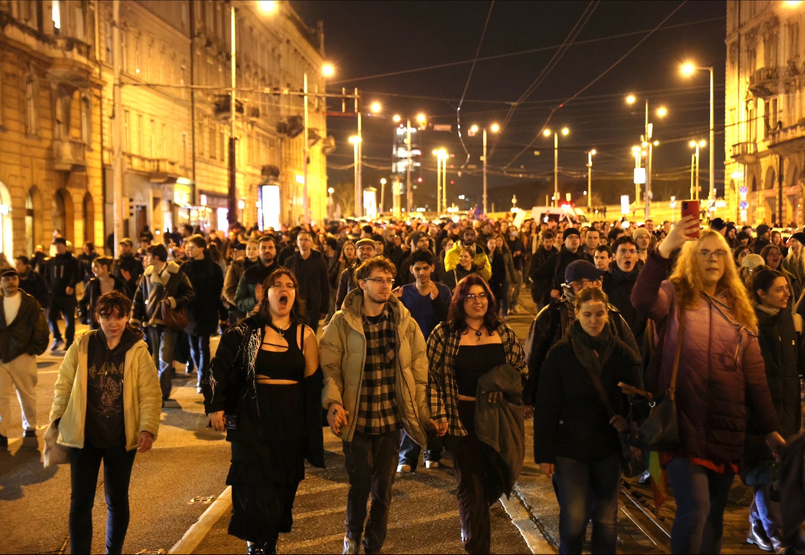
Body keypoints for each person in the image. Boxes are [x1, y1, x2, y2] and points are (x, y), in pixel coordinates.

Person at [631, 217, 785, 554]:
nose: (712, 259)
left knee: (713, 515)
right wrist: (661, 251)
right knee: (695, 509)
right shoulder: (673, 295)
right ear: (689, 257)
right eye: (703, 253)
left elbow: (755, 375)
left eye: (718, 253)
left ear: (728, 260)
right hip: (683, 422)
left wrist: (771, 429)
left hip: (726, 426)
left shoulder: (739, 307)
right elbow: (642, 300)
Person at [320, 257, 435, 555]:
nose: (385, 286)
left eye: (389, 280)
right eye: (378, 280)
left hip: (389, 420)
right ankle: (352, 537)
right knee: (359, 488)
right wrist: (333, 402)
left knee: (383, 491)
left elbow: (419, 367)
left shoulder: (402, 321)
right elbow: (330, 367)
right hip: (356, 420)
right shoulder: (342, 322)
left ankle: (373, 546)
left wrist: (426, 414)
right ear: (362, 284)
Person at [206, 269, 324, 555]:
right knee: (254, 487)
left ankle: (266, 543)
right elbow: (219, 367)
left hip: (290, 422)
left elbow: (312, 386)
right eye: (277, 285)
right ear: (265, 293)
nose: (283, 290)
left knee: (284, 487)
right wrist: (216, 406)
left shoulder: (305, 334)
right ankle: (258, 546)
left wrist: (318, 427)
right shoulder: (245, 331)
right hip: (252, 420)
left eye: (289, 286)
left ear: (295, 295)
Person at [49, 291, 161, 555]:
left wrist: (147, 428)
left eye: (120, 316)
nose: (114, 322)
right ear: (97, 316)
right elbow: (64, 383)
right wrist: (57, 417)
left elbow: (150, 393)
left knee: (117, 501)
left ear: (127, 317)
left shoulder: (137, 349)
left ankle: (114, 551)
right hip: (84, 435)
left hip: (121, 438)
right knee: (80, 503)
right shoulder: (83, 344)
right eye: (107, 316)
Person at [535, 287, 642, 554]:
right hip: (569, 447)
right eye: (588, 314)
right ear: (576, 316)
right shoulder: (561, 354)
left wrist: (626, 419)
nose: (594, 320)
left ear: (607, 313)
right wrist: (544, 455)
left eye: (599, 313)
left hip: (607, 447)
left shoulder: (622, 354)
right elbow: (546, 407)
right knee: (575, 519)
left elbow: (639, 399)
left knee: (606, 521)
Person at [427, 273, 527, 554]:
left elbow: (521, 370)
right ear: (460, 301)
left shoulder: (503, 333)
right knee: (470, 485)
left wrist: (503, 387)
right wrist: (439, 414)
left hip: (497, 418)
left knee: (493, 479)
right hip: (461, 418)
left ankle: (473, 528)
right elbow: (432, 377)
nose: (477, 301)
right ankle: (476, 545)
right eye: (470, 296)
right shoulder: (443, 334)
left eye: (482, 295)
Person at [743, 269, 805, 552]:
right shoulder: (749, 323)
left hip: (788, 409)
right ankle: (773, 530)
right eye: (779, 289)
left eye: (787, 288)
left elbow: (793, 369)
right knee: (765, 471)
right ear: (761, 293)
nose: (787, 293)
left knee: (779, 472)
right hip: (761, 410)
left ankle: (758, 524)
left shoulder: (790, 321)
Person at [524, 260, 638, 405]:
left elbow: (631, 353)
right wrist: (530, 397)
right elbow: (534, 358)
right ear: (576, 286)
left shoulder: (612, 313)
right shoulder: (551, 315)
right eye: (593, 280)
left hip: (607, 399)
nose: (598, 283)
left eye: (599, 279)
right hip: (564, 399)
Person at [393, 249, 452, 473]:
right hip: (410, 354)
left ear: (432, 268)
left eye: (425, 268)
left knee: (435, 401)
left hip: (436, 352)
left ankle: (433, 451)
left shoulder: (443, 291)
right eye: (417, 269)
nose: (421, 273)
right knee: (410, 399)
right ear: (411, 270)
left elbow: (448, 319)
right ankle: (407, 455)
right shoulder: (404, 292)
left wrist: (437, 301)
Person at [131, 244, 195, 402]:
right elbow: (138, 297)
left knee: (165, 358)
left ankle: (162, 393)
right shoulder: (146, 275)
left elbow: (190, 293)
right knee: (153, 360)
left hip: (168, 322)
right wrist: (134, 317)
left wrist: (174, 301)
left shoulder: (176, 273)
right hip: (150, 322)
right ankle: (154, 390)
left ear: (156, 257)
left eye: (148, 256)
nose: (146, 259)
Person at [0, 267, 48, 448]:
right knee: (1, 398)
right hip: (1, 356)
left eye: (13, 279)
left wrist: (33, 349)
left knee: (27, 395)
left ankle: (30, 428)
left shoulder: (29, 303)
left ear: (18, 281)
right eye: (6, 279)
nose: (10, 283)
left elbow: (41, 326)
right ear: (1, 282)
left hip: (23, 355)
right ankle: (1, 433)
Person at [181, 236, 225, 395]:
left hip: (207, 311)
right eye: (187, 247)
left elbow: (218, 292)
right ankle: (200, 373)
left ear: (201, 248)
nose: (188, 250)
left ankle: (202, 377)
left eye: (191, 247)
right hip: (190, 312)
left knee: (203, 346)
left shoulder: (213, 268)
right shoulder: (185, 267)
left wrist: (222, 313)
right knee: (193, 346)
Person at [602, 236, 647, 349]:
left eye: (632, 251)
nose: (628, 255)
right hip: (612, 343)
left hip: (640, 343)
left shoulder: (645, 282)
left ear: (637, 257)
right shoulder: (605, 282)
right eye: (623, 251)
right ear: (613, 256)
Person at [531, 227, 593, 304]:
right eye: (570, 237)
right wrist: (549, 291)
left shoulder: (587, 258)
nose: (574, 239)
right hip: (561, 304)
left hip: (584, 302)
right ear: (564, 241)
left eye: (577, 237)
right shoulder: (556, 259)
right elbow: (536, 276)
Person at [284, 230, 330, 333]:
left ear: (311, 242)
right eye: (300, 240)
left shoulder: (319, 261)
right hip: (295, 305)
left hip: (313, 306)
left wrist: (324, 308)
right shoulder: (290, 262)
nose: (303, 242)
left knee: (310, 335)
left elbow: (324, 285)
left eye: (306, 240)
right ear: (296, 242)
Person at [45, 237, 81, 351]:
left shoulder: (72, 261)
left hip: (67, 295)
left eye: (60, 245)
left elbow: (77, 274)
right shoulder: (51, 261)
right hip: (54, 295)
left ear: (65, 246)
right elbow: (46, 276)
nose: (58, 248)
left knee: (69, 319)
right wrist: (49, 289)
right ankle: (57, 338)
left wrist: (71, 285)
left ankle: (69, 341)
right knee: (50, 316)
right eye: (56, 246)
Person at [78, 257, 127, 330]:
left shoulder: (119, 284)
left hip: (115, 323)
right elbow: (82, 301)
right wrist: (84, 317)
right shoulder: (92, 285)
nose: (92, 270)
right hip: (96, 324)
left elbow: (126, 302)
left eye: (95, 267)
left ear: (104, 267)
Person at [235, 236, 278, 316]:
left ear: (275, 251)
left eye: (270, 247)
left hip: (277, 320)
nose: (267, 250)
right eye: (263, 248)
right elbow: (239, 301)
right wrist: (255, 300)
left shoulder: (282, 273)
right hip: (255, 320)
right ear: (258, 251)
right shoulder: (249, 274)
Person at [223, 240, 259, 324]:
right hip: (239, 310)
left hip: (258, 308)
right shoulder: (236, 266)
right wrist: (240, 303)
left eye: (254, 249)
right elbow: (228, 289)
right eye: (249, 249)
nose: (251, 251)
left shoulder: (263, 266)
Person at [335, 238, 376, 310]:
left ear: (374, 252)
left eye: (369, 249)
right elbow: (340, 301)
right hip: (352, 314)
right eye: (362, 249)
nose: (365, 252)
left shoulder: (380, 273)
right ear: (357, 252)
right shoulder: (347, 273)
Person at [529, 230, 559, 310]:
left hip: (553, 288)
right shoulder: (537, 255)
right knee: (541, 312)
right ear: (543, 242)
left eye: (550, 241)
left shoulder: (557, 254)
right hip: (540, 289)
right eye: (546, 241)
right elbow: (532, 272)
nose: (548, 244)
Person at [505, 225, 525, 314]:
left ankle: (515, 303)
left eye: (515, 230)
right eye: (512, 230)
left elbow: (524, 253)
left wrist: (520, 254)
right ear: (508, 233)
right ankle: (509, 305)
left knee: (517, 287)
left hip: (517, 266)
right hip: (509, 268)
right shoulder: (506, 243)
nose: (514, 231)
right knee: (509, 289)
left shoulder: (519, 242)